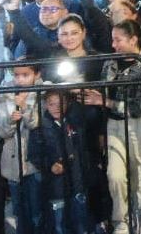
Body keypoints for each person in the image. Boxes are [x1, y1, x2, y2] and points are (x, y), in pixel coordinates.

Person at [87, 20, 141, 234]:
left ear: (133, 39)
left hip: (138, 126)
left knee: (140, 179)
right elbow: (103, 91)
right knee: (115, 175)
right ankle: (121, 222)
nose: (114, 44)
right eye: (113, 40)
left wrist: (106, 102)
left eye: (118, 40)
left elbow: (139, 107)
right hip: (114, 124)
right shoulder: (110, 62)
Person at [31, 86, 91, 234]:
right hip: (56, 185)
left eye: (60, 103)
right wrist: (49, 166)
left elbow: (82, 149)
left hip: (77, 182)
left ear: (67, 104)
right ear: (46, 105)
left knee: (80, 222)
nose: (57, 108)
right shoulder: (41, 127)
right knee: (59, 224)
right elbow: (35, 154)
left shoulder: (73, 122)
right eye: (52, 104)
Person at [0, 61, 43, 234]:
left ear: (36, 74)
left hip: (34, 161)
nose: (20, 79)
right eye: (17, 75)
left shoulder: (42, 91)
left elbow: (36, 124)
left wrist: (25, 108)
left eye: (25, 75)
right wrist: (11, 120)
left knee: (37, 209)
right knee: (19, 210)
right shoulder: (5, 93)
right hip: (13, 162)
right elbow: (2, 131)